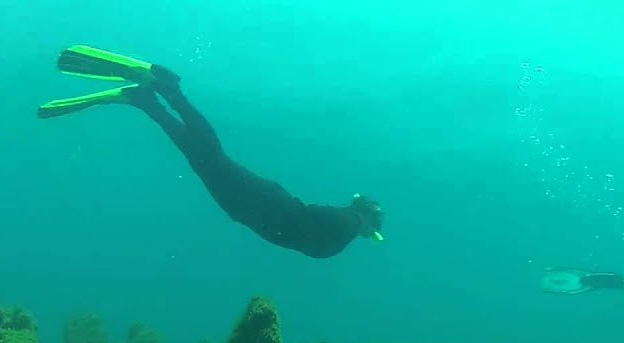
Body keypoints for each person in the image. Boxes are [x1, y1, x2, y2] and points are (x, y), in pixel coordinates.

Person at [36, 45, 384, 259]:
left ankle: (146, 101)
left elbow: (318, 220)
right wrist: (354, 219)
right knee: (211, 157)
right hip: (263, 205)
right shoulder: (350, 222)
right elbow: (322, 217)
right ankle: (168, 90)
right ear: (368, 218)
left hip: (255, 208)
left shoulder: (347, 226)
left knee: (203, 161)